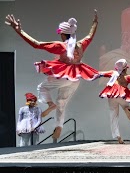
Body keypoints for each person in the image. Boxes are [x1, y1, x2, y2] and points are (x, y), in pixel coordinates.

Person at [5, 10, 100, 139]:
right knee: (62, 103)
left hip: (64, 76)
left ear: (62, 34)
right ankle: (59, 126)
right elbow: (91, 35)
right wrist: (95, 22)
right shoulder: (81, 44)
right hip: (76, 78)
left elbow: (36, 44)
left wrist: (19, 31)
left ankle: (50, 104)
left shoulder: (61, 46)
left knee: (41, 88)